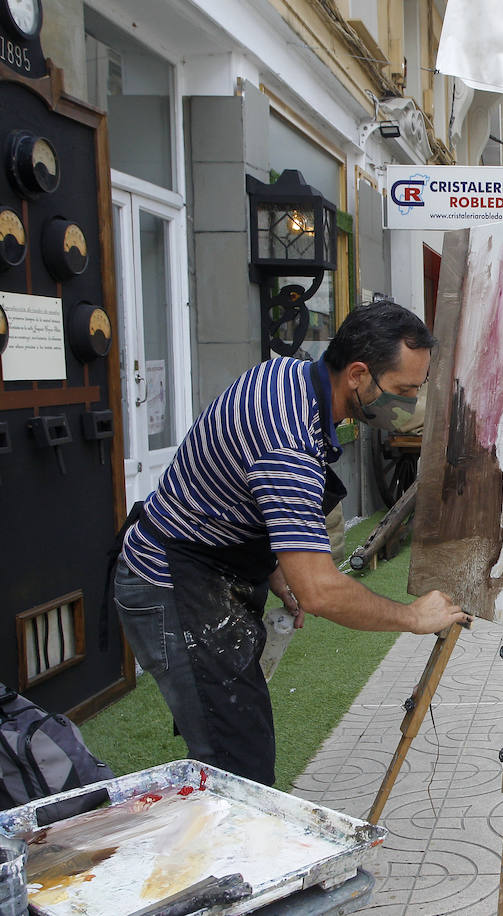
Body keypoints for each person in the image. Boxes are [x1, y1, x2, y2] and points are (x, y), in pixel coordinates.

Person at [111, 301, 473, 786]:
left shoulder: (286, 375)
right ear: (359, 375)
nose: (407, 405)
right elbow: (320, 591)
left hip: (207, 557)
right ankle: (230, 859)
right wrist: (412, 617)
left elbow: (236, 487)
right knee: (236, 763)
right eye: (404, 390)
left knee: (236, 731)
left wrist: (277, 567)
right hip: (169, 580)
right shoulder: (288, 442)